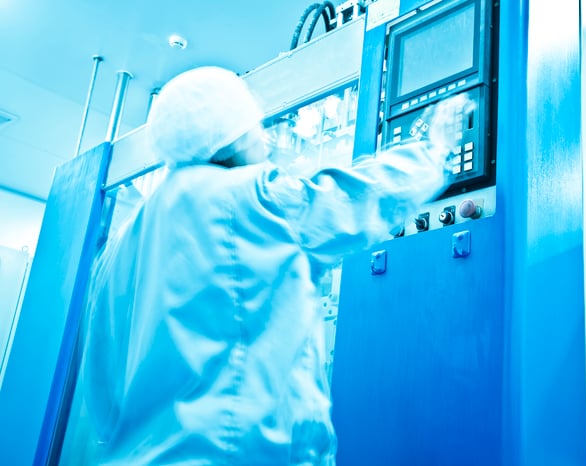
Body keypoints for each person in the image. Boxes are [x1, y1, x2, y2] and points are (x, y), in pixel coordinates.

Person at [82, 66, 467, 465]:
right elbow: (358, 199)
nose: (264, 140)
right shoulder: (250, 197)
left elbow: (103, 402)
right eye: (254, 128)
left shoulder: (120, 247)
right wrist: (434, 151)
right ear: (229, 135)